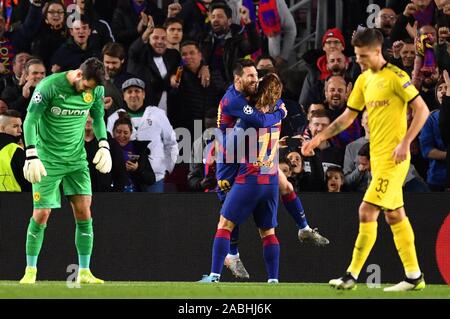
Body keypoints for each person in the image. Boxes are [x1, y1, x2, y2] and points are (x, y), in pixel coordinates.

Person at [302, 28, 430, 291]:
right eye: (356, 55)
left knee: (366, 210)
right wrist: (318, 138)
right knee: (394, 215)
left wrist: (406, 142)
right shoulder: (362, 80)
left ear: (376, 51)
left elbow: (422, 110)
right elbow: (348, 117)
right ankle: (414, 276)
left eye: (361, 55)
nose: (357, 60)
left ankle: (351, 275)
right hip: (377, 158)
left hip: (394, 159)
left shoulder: (396, 76)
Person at [19, 57, 112, 284]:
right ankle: (30, 271)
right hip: (47, 159)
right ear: (79, 75)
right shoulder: (49, 86)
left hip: (76, 159)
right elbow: (30, 120)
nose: (87, 92)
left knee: (84, 212)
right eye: (87, 86)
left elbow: (98, 118)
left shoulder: (96, 90)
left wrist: (103, 143)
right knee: (41, 214)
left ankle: (84, 272)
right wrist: (31, 153)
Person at [199, 72, 286, 283]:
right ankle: (273, 280)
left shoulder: (250, 118)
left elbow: (231, 144)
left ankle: (214, 276)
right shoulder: (279, 111)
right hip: (270, 179)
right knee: (268, 232)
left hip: (250, 178)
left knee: (224, 225)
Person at [0, 110, 30, 192]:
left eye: (20, 126)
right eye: (15, 126)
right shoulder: (15, 150)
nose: (20, 130)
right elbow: (28, 182)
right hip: (13, 201)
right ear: (2, 128)